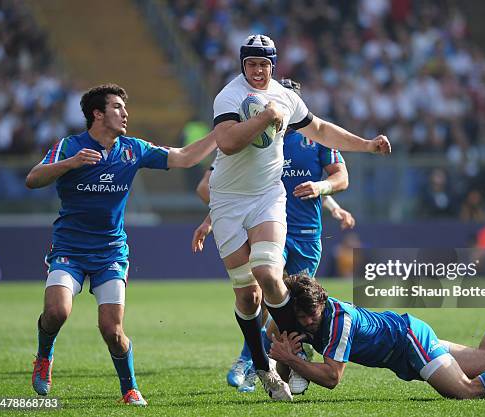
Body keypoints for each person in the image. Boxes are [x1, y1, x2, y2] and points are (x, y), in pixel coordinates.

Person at [207, 34, 390, 401]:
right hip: (228, 201)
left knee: (269, 275)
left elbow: (322, 129)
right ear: (243, 65)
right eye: (252, 64)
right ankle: (261, 366)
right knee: (247, 297)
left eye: (264, 65)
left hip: (267, 199)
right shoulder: (228, 97)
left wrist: (366, 145)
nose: (258, 71)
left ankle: (292, 353)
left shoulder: (286, 98)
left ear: (273, 66)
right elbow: (226, 143)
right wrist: (265, 119)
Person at [26, 83, 217, 406]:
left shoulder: (133, 148)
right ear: (97, 114)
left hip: (111, 252)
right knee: (57, 312)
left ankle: (129, 389)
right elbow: (33, 179)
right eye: (117, 107)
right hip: (69, 249)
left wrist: (221, 133)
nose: (125, 113)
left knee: (112, 330)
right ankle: (44, 357)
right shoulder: (70, 146)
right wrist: (70, 164)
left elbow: (184, 158)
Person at [193, 78, 355, 394]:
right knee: (267, 286)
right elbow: (237, 190)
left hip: (308, 235)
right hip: (270, 229)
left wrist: (325, 194)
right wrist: (212, 219)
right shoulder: (257, 139)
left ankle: (292, 364)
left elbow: (339, 178)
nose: (278, 108)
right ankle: (252, 363)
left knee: (294, 306)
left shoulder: (316, 140)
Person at [270, 274, 485, 399]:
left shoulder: (338, 322)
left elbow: (331, 378)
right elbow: (280, 345)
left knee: (466, 391)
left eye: (314, 314)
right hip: (406, 336)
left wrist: (286, 359)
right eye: (304, 317)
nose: (311, 322)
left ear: (323, 302)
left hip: (409, 342)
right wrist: (284, 361)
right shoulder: (299, 316)